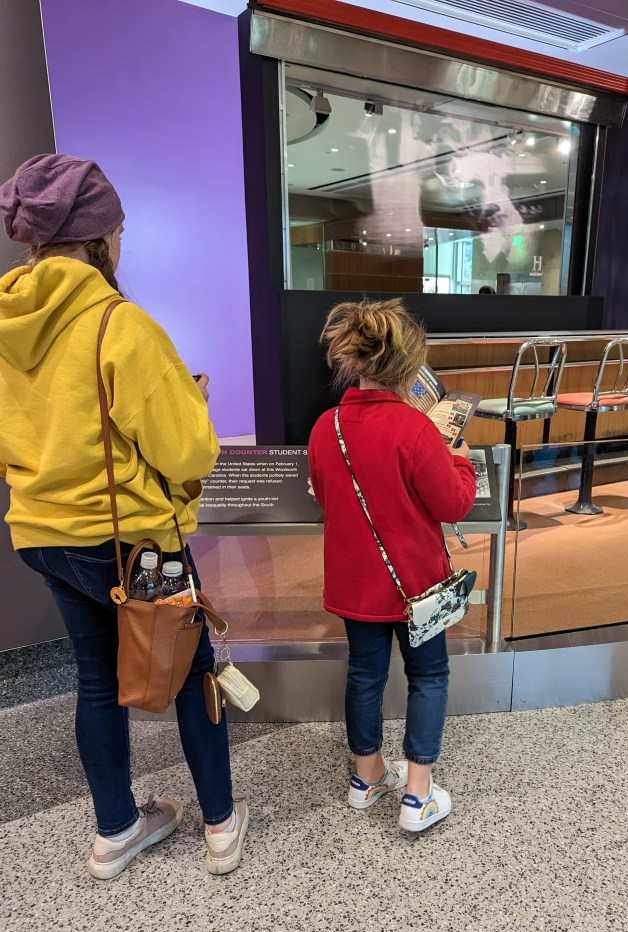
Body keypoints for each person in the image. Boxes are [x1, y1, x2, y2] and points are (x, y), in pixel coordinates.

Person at [0, 154, 247, 878]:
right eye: (119, 229)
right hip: (134, 543)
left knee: (94, 677)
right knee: (193, 669)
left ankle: (116, 831)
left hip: (42, 534)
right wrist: (193, 405)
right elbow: (189, 452)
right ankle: (221, 827)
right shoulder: (120, 325)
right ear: (101, 237)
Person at [308, 299, 477, 832]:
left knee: (365, 675)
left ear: (354, 360)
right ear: (408, 365)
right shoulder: (417, 429)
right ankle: (417, 796)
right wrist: (461, 460)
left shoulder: (326, 426)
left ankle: (367, 778)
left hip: (355, 581)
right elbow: (453, 503)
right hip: (416, 583)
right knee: (428, 675)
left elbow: (326, 496)